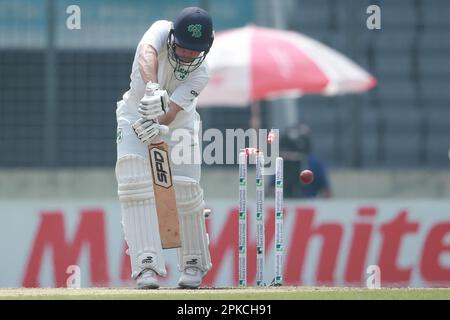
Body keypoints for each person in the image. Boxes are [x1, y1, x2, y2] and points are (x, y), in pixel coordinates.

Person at [114, 7, 214, 289]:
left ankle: (193, 262)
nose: (186, 56)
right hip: (134, 115)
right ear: (172, 38)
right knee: (134, 182)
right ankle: (145, 265)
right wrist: (152, 88)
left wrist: (158, 121)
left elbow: (170, 114)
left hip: (179, 125)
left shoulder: (201, 75)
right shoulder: (159, 30)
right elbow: (147, 52)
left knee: (185, 190)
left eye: (194, 52)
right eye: (182, 48)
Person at [273, 124, 331, 198]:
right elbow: (271, 188)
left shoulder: (313, 163)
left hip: (308, 202)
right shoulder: (280, 163)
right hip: (284, 202)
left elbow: (326, 191)